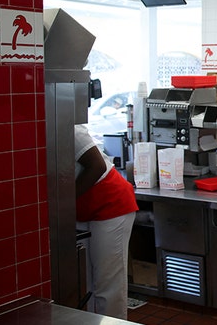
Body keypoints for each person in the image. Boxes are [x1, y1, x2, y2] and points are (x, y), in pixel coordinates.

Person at [74, 124, 138, 319]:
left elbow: (97, 166)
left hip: (111, 203)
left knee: (108, 285)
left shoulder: (71, 128)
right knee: (86, 283)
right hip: (81, 209)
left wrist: (64, 201)